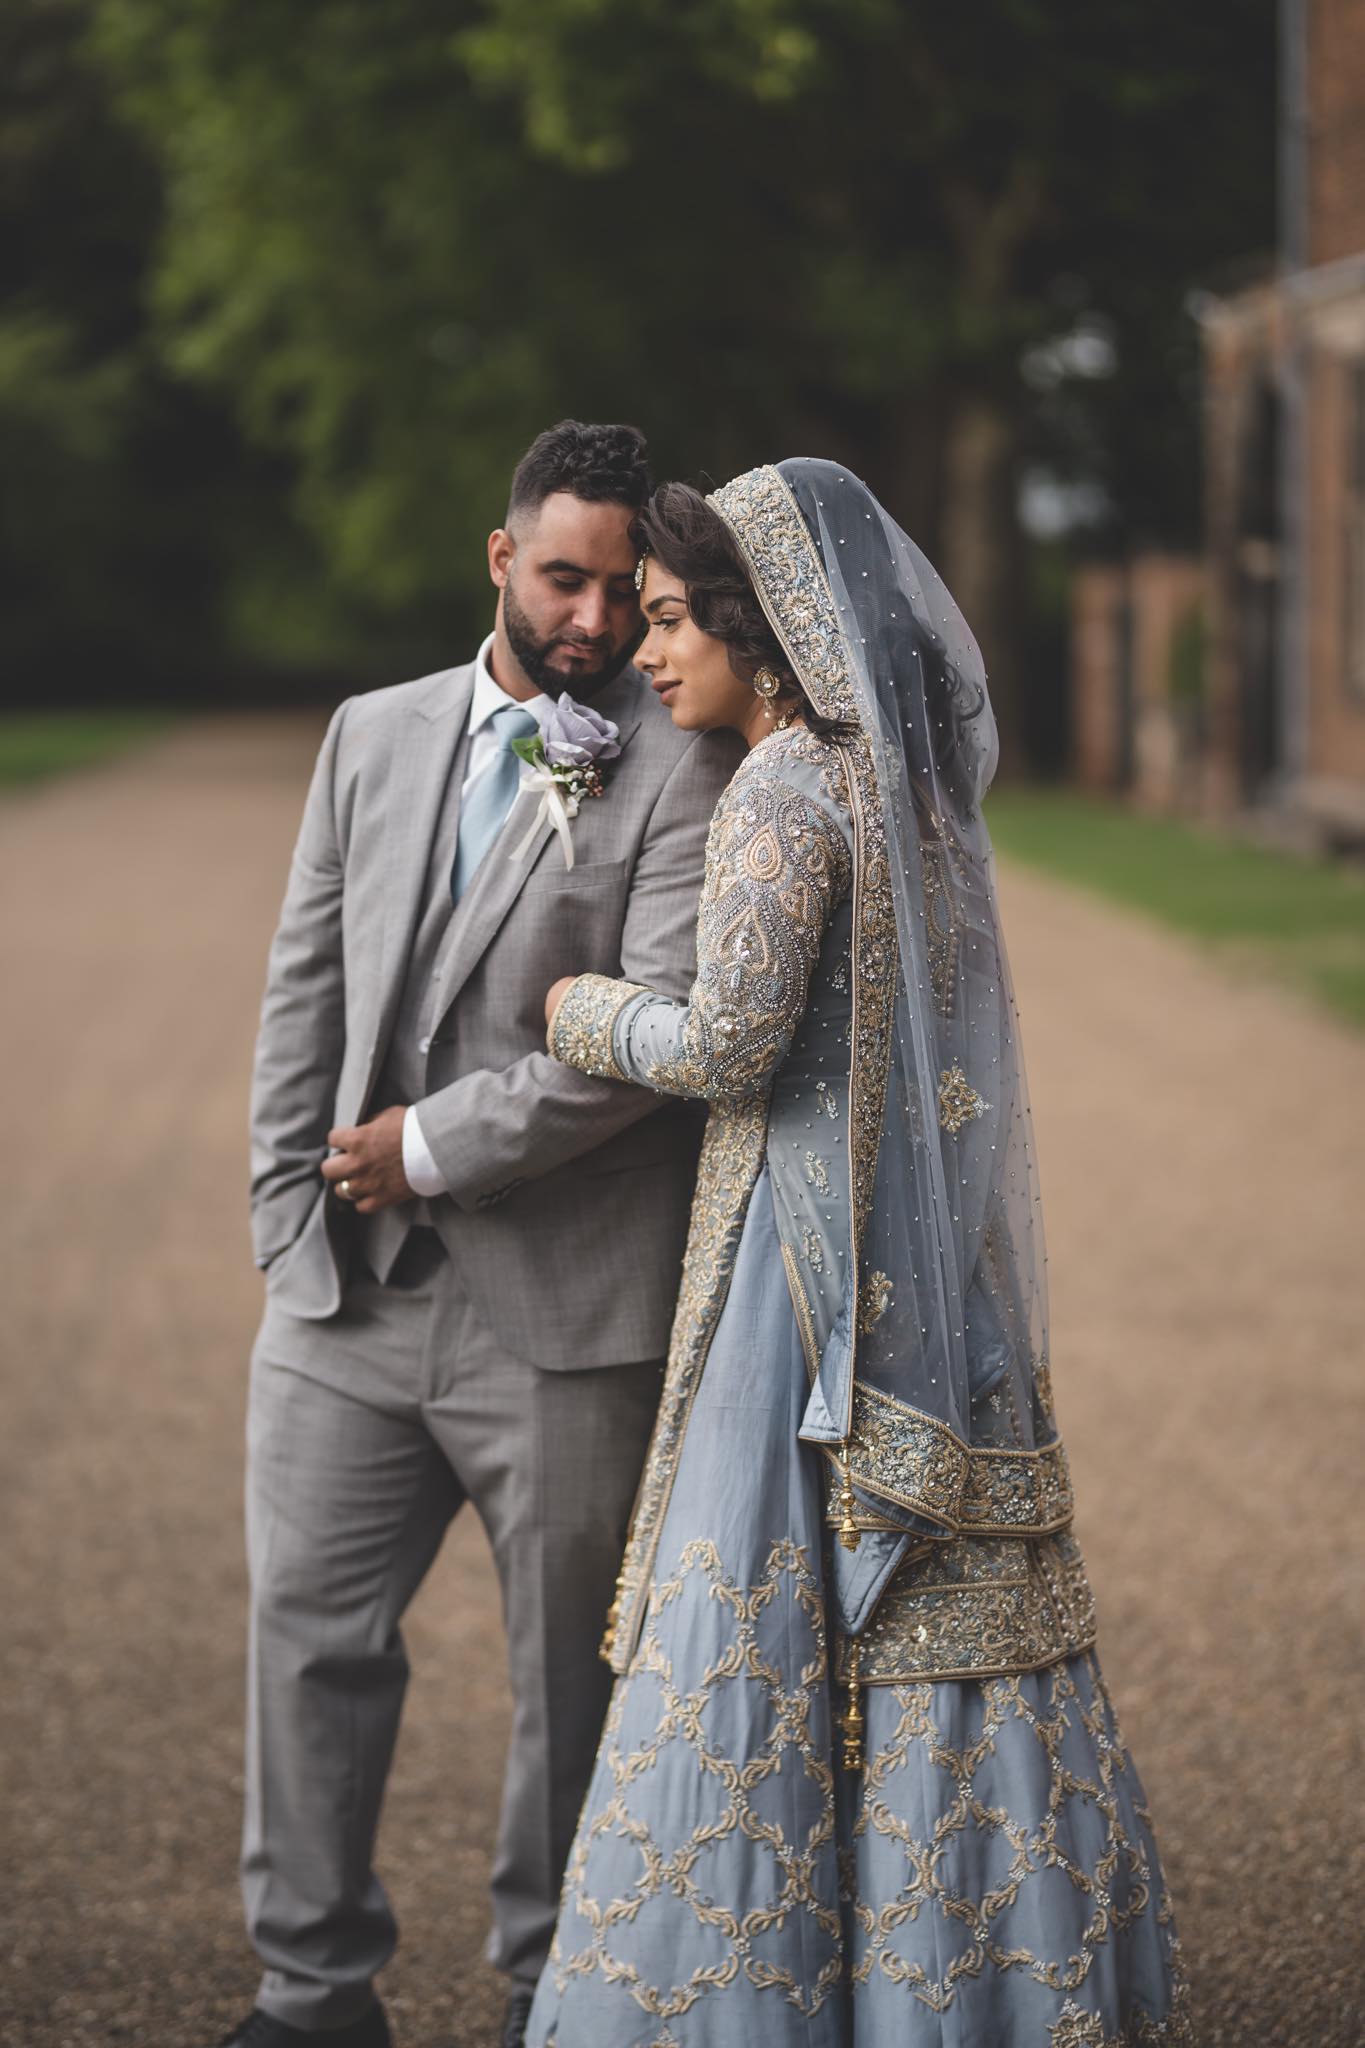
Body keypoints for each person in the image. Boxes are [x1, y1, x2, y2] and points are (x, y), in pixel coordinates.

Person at [529, 461, 1191, 2045]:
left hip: (799, 1278)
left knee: (761, 1616)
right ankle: (975, 1981)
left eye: (678, 618)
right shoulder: (908, 795)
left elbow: (737, 1045)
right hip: (929, 1277)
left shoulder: (780, 786)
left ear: (769, 635)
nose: (648, 650)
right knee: (937, 1624)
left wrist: (578, 1009)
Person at [230, 421, 742, 2048]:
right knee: (305, 1645)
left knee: (566, 1696)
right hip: (342, 1305)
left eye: (619, 589)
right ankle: (312, 1998)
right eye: (563, 577)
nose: (591, 619)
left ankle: (552, 2002)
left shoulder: (687, 764)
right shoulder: (368, 736)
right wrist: (280, 1216)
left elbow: (651, 1040)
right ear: (500, 558)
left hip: (569, 1315)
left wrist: (429, 1150)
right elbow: (303, 987)